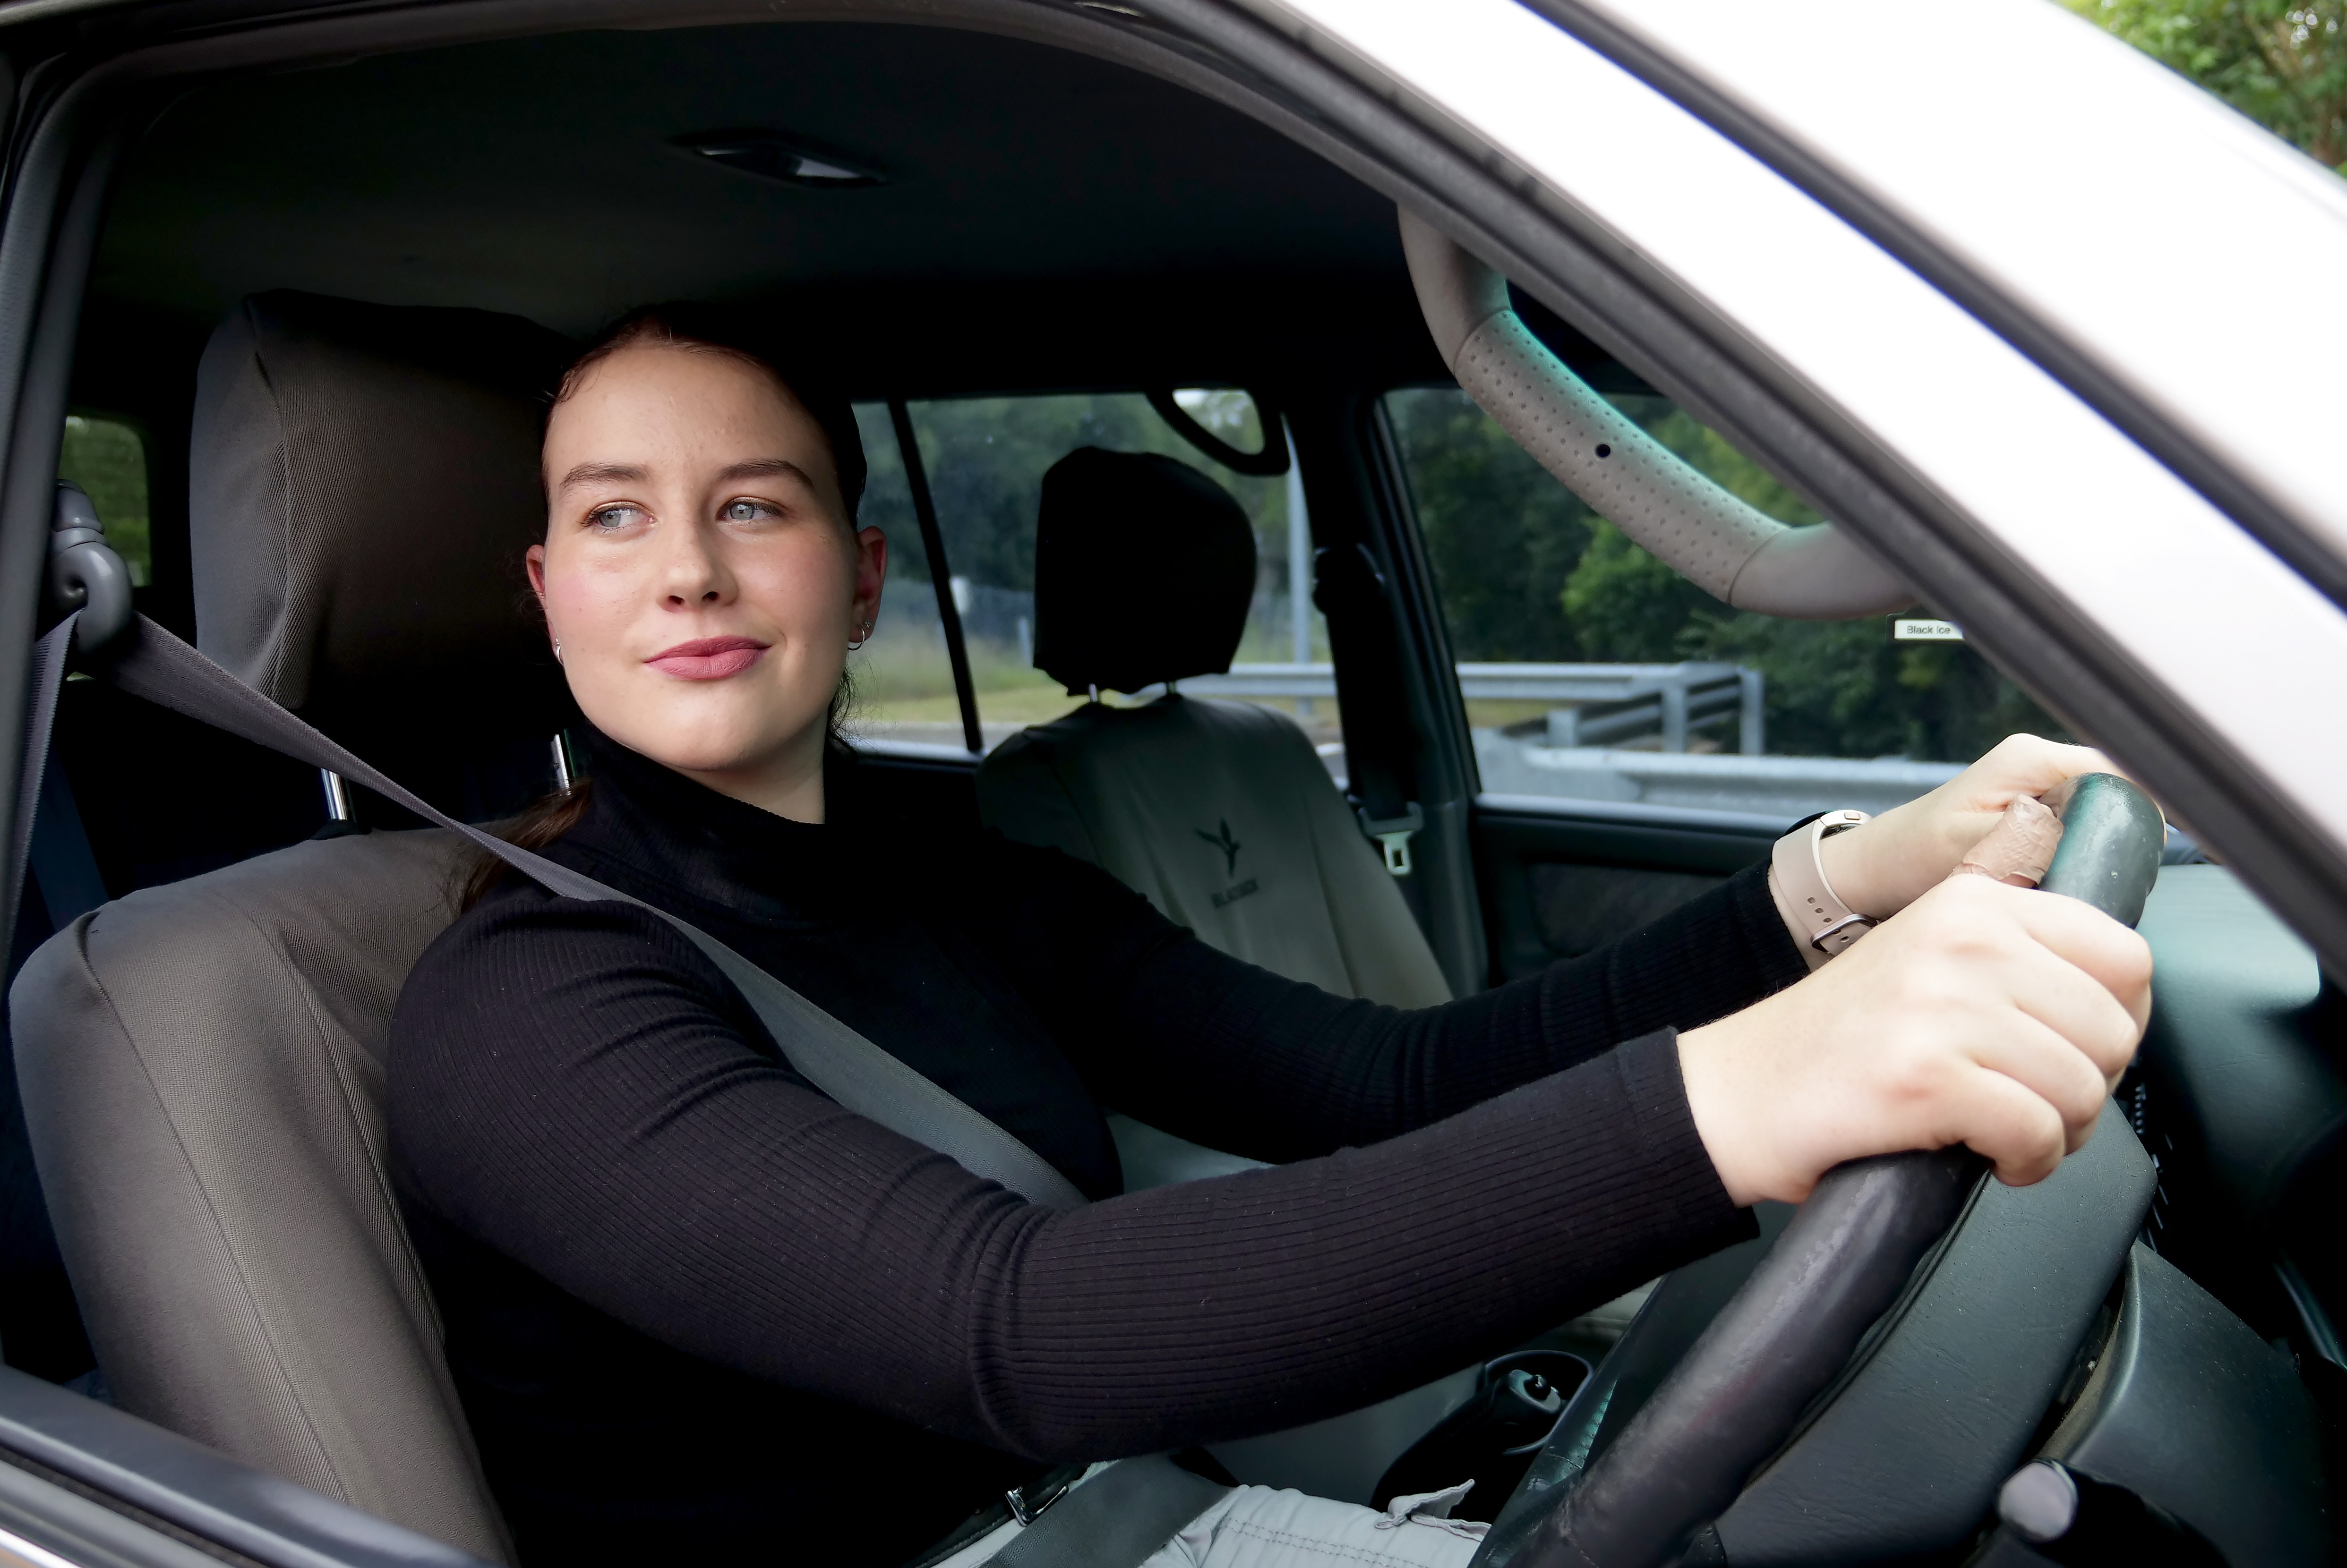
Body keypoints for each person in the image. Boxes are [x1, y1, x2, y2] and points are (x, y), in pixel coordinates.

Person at [386, 308, 2152, 1568]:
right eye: (614, 513)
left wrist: (1832, 888)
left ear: (855, 580)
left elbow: (1386, 1075)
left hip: (1128, 1522)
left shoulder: (963, 872)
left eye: (749, 504)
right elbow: (1021, 1334)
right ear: (549, 593)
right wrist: (1739, 1101)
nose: (686, 567)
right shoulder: (525, 998)